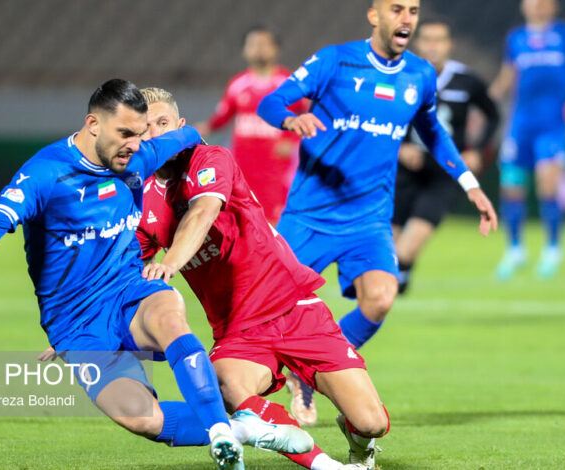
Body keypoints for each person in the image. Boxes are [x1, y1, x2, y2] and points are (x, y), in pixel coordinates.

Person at [0, 79, 311, 470]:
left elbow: (189, 134)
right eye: (126, 133)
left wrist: (194, 141)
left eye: (142, 133)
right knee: (141, 417)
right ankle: (242, 429)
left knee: (167, 317)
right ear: (93, 124)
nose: (136, 144)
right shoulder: (47, 173)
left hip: (129, 290)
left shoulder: (139, 156)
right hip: (75, 323)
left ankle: (218, 430)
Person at [257, 0, 498, 425]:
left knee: (382, 297)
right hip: (311, 214)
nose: (406, 18)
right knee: (261, 311)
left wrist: (471, 186)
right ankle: (234, 402)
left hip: (368, 221)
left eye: (413, 10)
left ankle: (310, 374)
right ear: (375, 16)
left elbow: (435, 136)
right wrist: (291, 122)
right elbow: (272, 102)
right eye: (397, 9)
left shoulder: (420, 75)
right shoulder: (335, 61)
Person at [137, 87, 387, 470]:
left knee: (372, 422)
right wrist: (86, 327)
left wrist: (170, 262)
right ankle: (320, 462)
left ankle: (359, 442)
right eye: (145, 128)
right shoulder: (142, 203)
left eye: (163, 123)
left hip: (295, 308)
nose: (155, 134)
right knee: (222, 383)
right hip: (239, 330)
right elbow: (120, 276)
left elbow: (202, 213)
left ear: (180, 126)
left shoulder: (211, 158)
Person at [490, 0, 565, 279]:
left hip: (552, 124)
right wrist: (487, 103)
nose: (538, 5)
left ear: (554, 6)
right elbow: (508, 75)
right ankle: (515, 249)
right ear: (523, 6)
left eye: (544, 1)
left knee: (547, 183)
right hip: (520, 125)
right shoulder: (516, 38)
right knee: (511, 186)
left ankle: (553, 248)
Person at [393, 21, 500, 294]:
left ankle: (399, 281)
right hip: (403, 171)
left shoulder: (467, 81)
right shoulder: (398, 75)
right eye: (427, 39)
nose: (433, 45)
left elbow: (493, 115)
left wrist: (477, 149)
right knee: (386, 252)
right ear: (416, 43)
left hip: (443, 173)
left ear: (449, 44)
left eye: (439, 40)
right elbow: (381, 116)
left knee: (407, 249)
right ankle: (392, 289)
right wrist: (401, 147)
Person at [195, 26, 306, 225]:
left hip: (276, 165)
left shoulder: (288, 82)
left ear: (275, 49)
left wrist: (292, 140)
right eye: (254, 44)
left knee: (276, 217)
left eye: (264, 44)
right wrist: (203, 130)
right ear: (245, 50)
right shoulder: (238, 84)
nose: (259, 49)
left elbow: (306, 116)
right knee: (242, 215)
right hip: (243, 163)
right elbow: (222, 117)